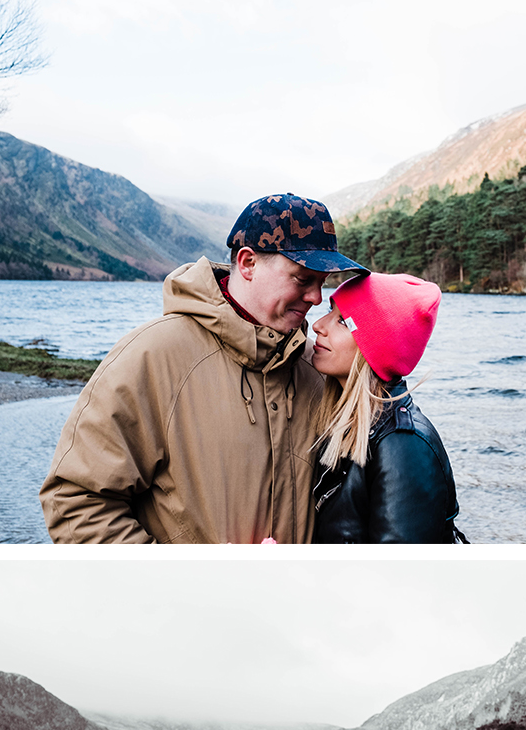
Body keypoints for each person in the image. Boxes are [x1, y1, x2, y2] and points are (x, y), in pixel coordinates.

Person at [39, 196, 366, 546]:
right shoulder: (152, 356)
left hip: (293, 599)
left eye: (322, 282)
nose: (317, 298)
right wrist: (186, 581)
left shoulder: (315, 366)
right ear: (248, 263)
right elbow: (75, 502)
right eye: (302, 279)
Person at [309, 271, 462, 544]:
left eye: (343, 321)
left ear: (374, 347)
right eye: (329, 312)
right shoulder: (352, 423)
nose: (318, 325)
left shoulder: (402, 444)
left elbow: (401, 576)